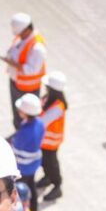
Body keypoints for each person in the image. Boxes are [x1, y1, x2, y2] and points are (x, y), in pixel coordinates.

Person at [1, 13, 46, 130]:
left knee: (24, 116)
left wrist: (13, 64)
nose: (19, 35)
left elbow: (32, 70)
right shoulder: (22, 38)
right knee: (17, 114)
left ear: (27, 29)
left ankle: (22, 135)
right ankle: (18, 131)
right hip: (17, 83)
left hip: (27, 88)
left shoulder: (37, 47)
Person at [11, 93, 45, 211]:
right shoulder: (40, 124)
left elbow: (15, 150)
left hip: (23, 168)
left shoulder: (25, 132)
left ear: (25, 112)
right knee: (31, 187)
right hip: (34, 164)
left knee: (21, 191)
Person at [37, 71, 68, 202]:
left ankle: (57, 184)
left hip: (51, 142)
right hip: (43, 141)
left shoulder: (58, 106)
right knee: (44, 161)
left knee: (51, 163)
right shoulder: (48, 98)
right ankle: (48, 177)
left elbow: (43, 121)